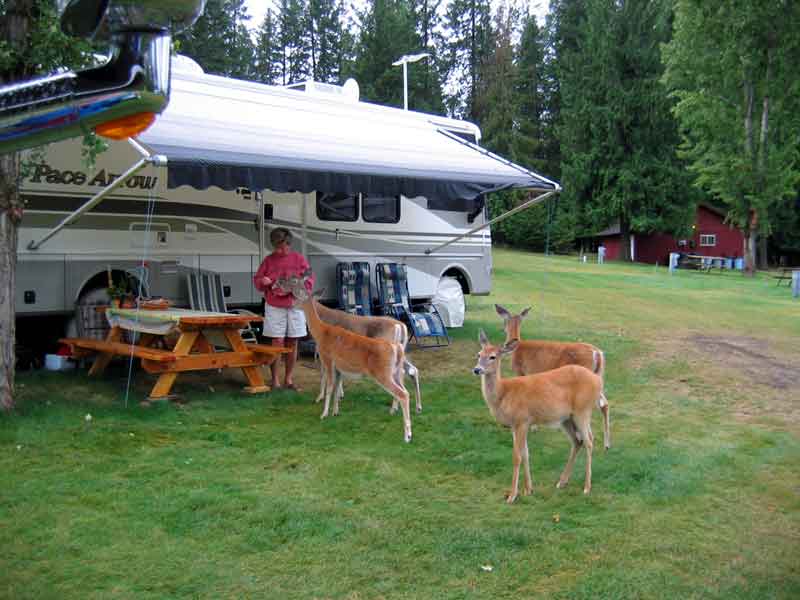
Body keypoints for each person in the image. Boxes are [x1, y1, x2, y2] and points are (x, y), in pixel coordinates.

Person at [253, 227, 314, 391]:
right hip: (274, 306)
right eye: (276, 247)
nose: (279, 250)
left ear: (289, 244)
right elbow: (257, 281)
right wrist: (263, 281)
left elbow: (309, 279)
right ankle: (275, 380)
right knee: (277, 342)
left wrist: (300, 289)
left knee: (293, 341)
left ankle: (288, 379)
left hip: (295, 305)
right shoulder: (268, 260)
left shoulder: (299, 259)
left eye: (282, 247)